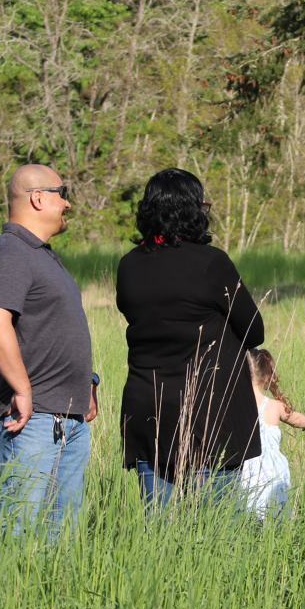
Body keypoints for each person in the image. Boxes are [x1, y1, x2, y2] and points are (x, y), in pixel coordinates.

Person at [115, 168, 265, 510]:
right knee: (215, 529)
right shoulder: (211, 263)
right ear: (193, 210)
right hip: (210, 412)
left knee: (158, 526)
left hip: (148, 409)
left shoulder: (128, 265)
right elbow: (254, 329)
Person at [0, 164, 98, 540]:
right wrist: (24, 391)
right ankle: (1, 599)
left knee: (60, 537)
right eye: (63, 193)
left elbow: (55, 329)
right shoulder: (11, 250)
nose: (68, 204)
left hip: (67, 418)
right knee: (17, 532)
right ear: (38, 198)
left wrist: (88, 384)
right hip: (31, 421)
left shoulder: (42, 254)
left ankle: (52, 600)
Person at [238, 348, 305, 520]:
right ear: (267, 376)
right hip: (273, 472)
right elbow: (295, 418)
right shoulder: (274, 405)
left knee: (245, 516)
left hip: (245, 470)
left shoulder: (236, 402)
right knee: (272, 518)